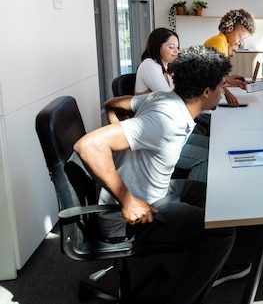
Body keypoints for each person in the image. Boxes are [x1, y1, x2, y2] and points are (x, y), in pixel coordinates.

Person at [73, 46, 246, 304]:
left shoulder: (165, 98)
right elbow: (87, 145)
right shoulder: (166, 117)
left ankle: (207, 266)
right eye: (221, 86)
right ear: (207, 92)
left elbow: (111, 104)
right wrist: (128, 201)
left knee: (219, 199)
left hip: (158, 190)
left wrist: (127, 139)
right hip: (137, 212)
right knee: (223, 232)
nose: (223, 91)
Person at [204, 8, 256, 106]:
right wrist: (229, 92)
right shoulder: (218, 42)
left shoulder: (222, 42)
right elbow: (213, 76)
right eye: (241, 37)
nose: (241, 42)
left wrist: (231, 81)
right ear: (230, 28)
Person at [134, 28, 179, 94]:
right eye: (171, 47)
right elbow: (168, 96)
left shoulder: (166, 68)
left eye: (177, 47)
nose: (176, 51)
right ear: (157, 47)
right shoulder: (149, 64)